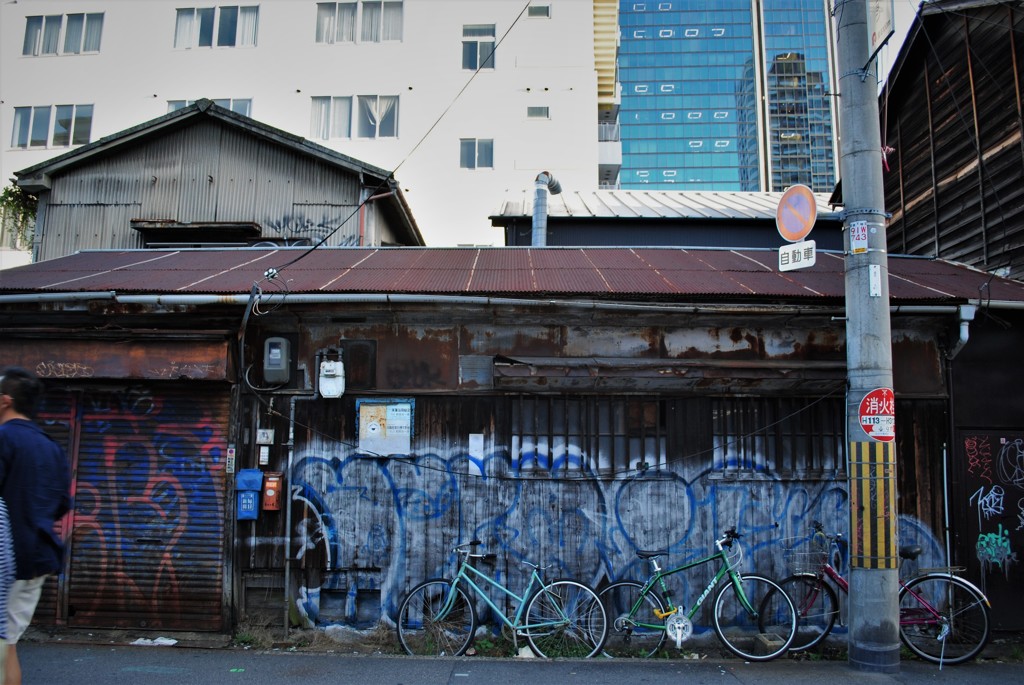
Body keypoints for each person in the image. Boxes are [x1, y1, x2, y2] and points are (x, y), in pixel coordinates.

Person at [0, 368, 71, 685]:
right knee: (7, 644)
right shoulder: (50, 447)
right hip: (38, 556)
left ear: (5, 401)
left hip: (6, 557)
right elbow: (60, 505)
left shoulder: (4, 438)